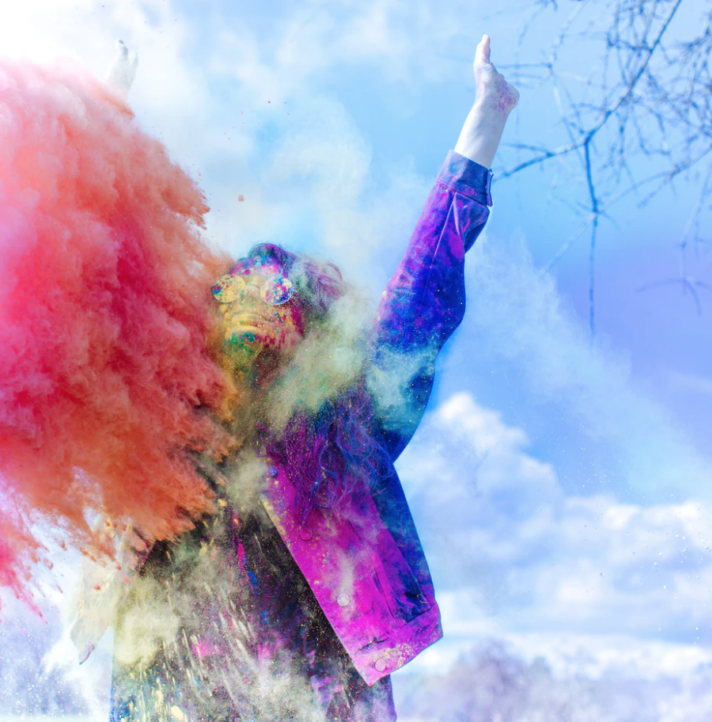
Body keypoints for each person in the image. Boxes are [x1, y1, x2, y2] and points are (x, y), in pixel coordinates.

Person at [93, 35, 519, 722]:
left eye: (274, 300)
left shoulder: (347, 424)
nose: (251, 318)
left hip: (312, 694)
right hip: (173, 684)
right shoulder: (171, 419)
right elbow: (98, 286)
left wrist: (484, 127)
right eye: (233, 301)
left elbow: (422, 294)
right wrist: (100, 112)